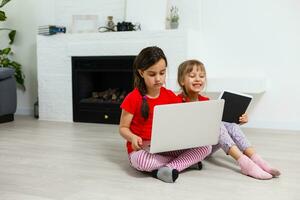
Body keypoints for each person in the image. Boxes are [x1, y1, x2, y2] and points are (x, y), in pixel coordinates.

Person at [119, 47, 212, 183]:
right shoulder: (132, 98)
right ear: (141, 72)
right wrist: (132, 137)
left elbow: (181, 122)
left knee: (206, 147)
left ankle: (169, 168)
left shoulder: (170, 96)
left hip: (167, 146)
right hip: (143, 150)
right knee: (143, 162)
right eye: (152, 74)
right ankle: (184, 163)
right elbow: (123, 128)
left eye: (162, 73)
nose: (158, 79)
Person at [177, 59, 281, 180]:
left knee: (230, 124)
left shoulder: (206, 101)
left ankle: (257, 160)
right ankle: (245, 164)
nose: (198, 79)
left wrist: (239, 121)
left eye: (202, 76)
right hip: (191, 147)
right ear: (182, 81)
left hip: (206, 144)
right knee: (217, 124)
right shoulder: (177, 101)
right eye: (192, 76)